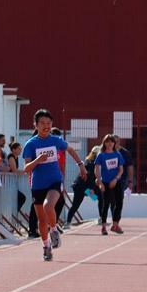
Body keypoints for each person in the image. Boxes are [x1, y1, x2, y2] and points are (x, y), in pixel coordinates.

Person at [22, 109, 87, 261]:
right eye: (42, 123)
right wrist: (38, 160)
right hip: (37, 184)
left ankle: (54, 229)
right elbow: (26, 168)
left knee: (48, 206)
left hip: (55, 181)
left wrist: (80, 164)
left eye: (49, 123)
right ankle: (46, 246)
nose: (46, 126)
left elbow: (70, 149)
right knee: (41, 220)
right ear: (35, 125)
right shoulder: (30, 144)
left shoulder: (56, 140)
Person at [94, 134, 125, 235]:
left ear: (114, 143)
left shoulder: (117, 154)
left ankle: (115, 224)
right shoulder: (101, 155)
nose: (110, 144)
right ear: (104, 143)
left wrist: (116, 179)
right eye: (107, 142)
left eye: (111, 142)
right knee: (106, 204)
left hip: (116, 182)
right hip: (105, 182)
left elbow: (121, 170)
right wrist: (100, 182)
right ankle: (103, 226)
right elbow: (97, 169)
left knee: (119, 202)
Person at [67, 146, 101, 226]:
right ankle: (67, 222)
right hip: (81, 187)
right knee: (76, 204)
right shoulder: (91, 163)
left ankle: (102, 218)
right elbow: (90, 177)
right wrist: (91, 189)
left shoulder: (91, 162)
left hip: (85, 186)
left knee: (100, 198)